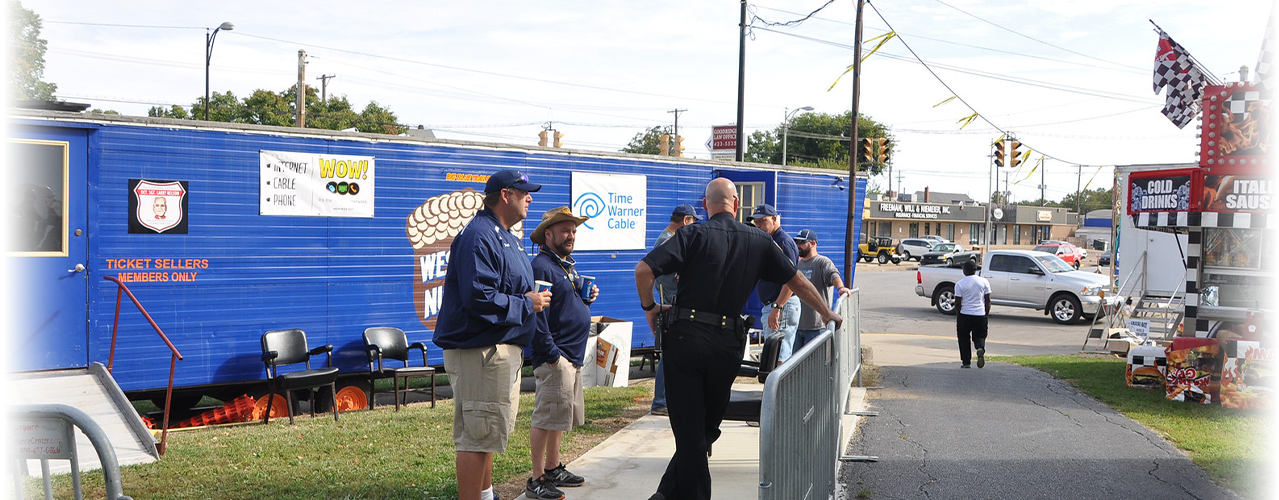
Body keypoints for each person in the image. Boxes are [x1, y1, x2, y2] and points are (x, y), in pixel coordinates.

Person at [634, 178, 842, 500]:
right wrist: (827, 314)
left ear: (705, 205)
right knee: (703, 431)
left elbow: (643, 271)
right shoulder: (760, 240)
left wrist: (649, 309)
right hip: (726, 347)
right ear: (736, 204)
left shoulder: (691, 234)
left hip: (686, 341)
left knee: (692, 435)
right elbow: (798, 280)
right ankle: (664, 495)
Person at [434, 169, 550, 500]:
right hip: (482, 352)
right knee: (477, 435)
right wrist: (526, 303)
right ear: (505, 195)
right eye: (524, 191)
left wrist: (531, 301)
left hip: (497, 352)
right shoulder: (480, 235)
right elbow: (478, 297)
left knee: (487, 436)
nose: (530, 198)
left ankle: (486, 496)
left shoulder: (504, 235)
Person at [525, 206, 598, 500]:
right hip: (557, 356)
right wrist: (553, 355)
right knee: (545, 417)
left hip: (570, 355)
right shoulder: (542, 265)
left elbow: (565, 306)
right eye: (565, 230)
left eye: (574, 230)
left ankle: (553, 468)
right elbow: (537, 315)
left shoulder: (566, 265)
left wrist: (585, 298)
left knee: (558, 416)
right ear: (548, 234)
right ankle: (536, 478)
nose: (571, 235)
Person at [651, 203, 702, 416]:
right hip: (673, 301)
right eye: (693, 222)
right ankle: (661, 401)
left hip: (671, 300)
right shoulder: (670, 241)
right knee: (670, 354)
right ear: (686, 220)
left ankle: (666, 399)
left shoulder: (665, 238)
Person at [749, 204, 801, 362]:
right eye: (756, 222)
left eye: (762, 221)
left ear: (774, 219)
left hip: (781, 305)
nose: (758, 225)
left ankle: (778, 387)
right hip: (775, 305)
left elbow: (791, 280)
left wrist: (777, 307)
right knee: (775, 352)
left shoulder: (783, 242)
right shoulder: (770, 240)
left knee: (779, 354)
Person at [791, 229, 852, 353]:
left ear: (813, 243)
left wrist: (840, 288)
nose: (798, 246)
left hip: (816, 327)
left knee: (813, 367)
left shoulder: (822, 262)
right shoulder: (797, 264)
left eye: (802, 243)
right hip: (797, 326)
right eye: (797, 242)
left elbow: (833, 275)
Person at [953, 260, 992, 369]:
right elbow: (987, 299)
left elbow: (957, 302)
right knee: (980, 336)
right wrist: (985, 314)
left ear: (965, 270)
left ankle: (966, 362)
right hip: (980, 314)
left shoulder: (960, 284)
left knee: (964, 338)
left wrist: (958, 315)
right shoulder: (984, 282)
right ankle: (980, 348)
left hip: (965, 314)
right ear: (975, 270)